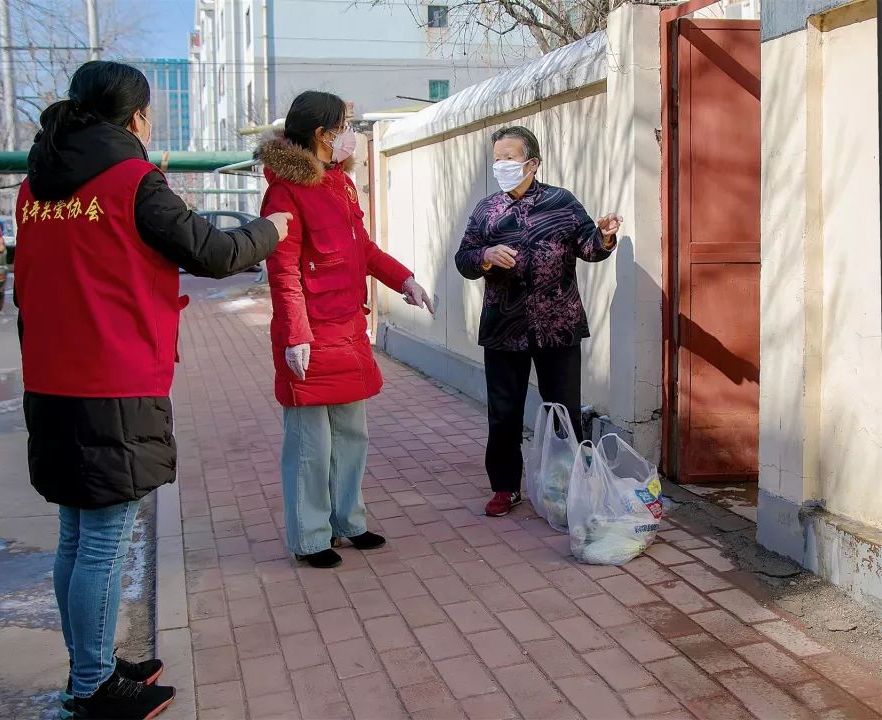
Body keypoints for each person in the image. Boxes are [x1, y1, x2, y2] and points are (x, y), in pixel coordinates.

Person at [15, 61, 289, 719]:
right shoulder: (134, 181)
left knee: (76, 536)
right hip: (113, 382)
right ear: (136, 118)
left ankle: (95, 666)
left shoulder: (34, 187)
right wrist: (271, 232)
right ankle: (91, 689)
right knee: (104, 540)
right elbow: (212, 252)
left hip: (51, 380)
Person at [257, 91, 434, 569]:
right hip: (311, 336)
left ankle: (348, 520)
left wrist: (405, 279)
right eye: (345, 124)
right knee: (311, 445)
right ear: (322, 133)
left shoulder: (340, 184)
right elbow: (284, 270)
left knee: (352, 435)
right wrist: (296, 335)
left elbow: (365, 249)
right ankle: (311, 536)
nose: (351, 133)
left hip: (348, 329)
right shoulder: (285, 192)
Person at [454, 126, 621, 518]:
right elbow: (464, 259)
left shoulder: (561, 202)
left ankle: (571, 486)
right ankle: (505, 487)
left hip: (557, 325)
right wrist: (486, 255)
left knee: (564, 409)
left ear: (533, 162)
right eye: (497, 158)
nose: (501, 165)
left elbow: (588, 248)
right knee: (504, 412)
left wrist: (605, 237)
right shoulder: (487, 210)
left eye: (509, 157)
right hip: (503, 328)